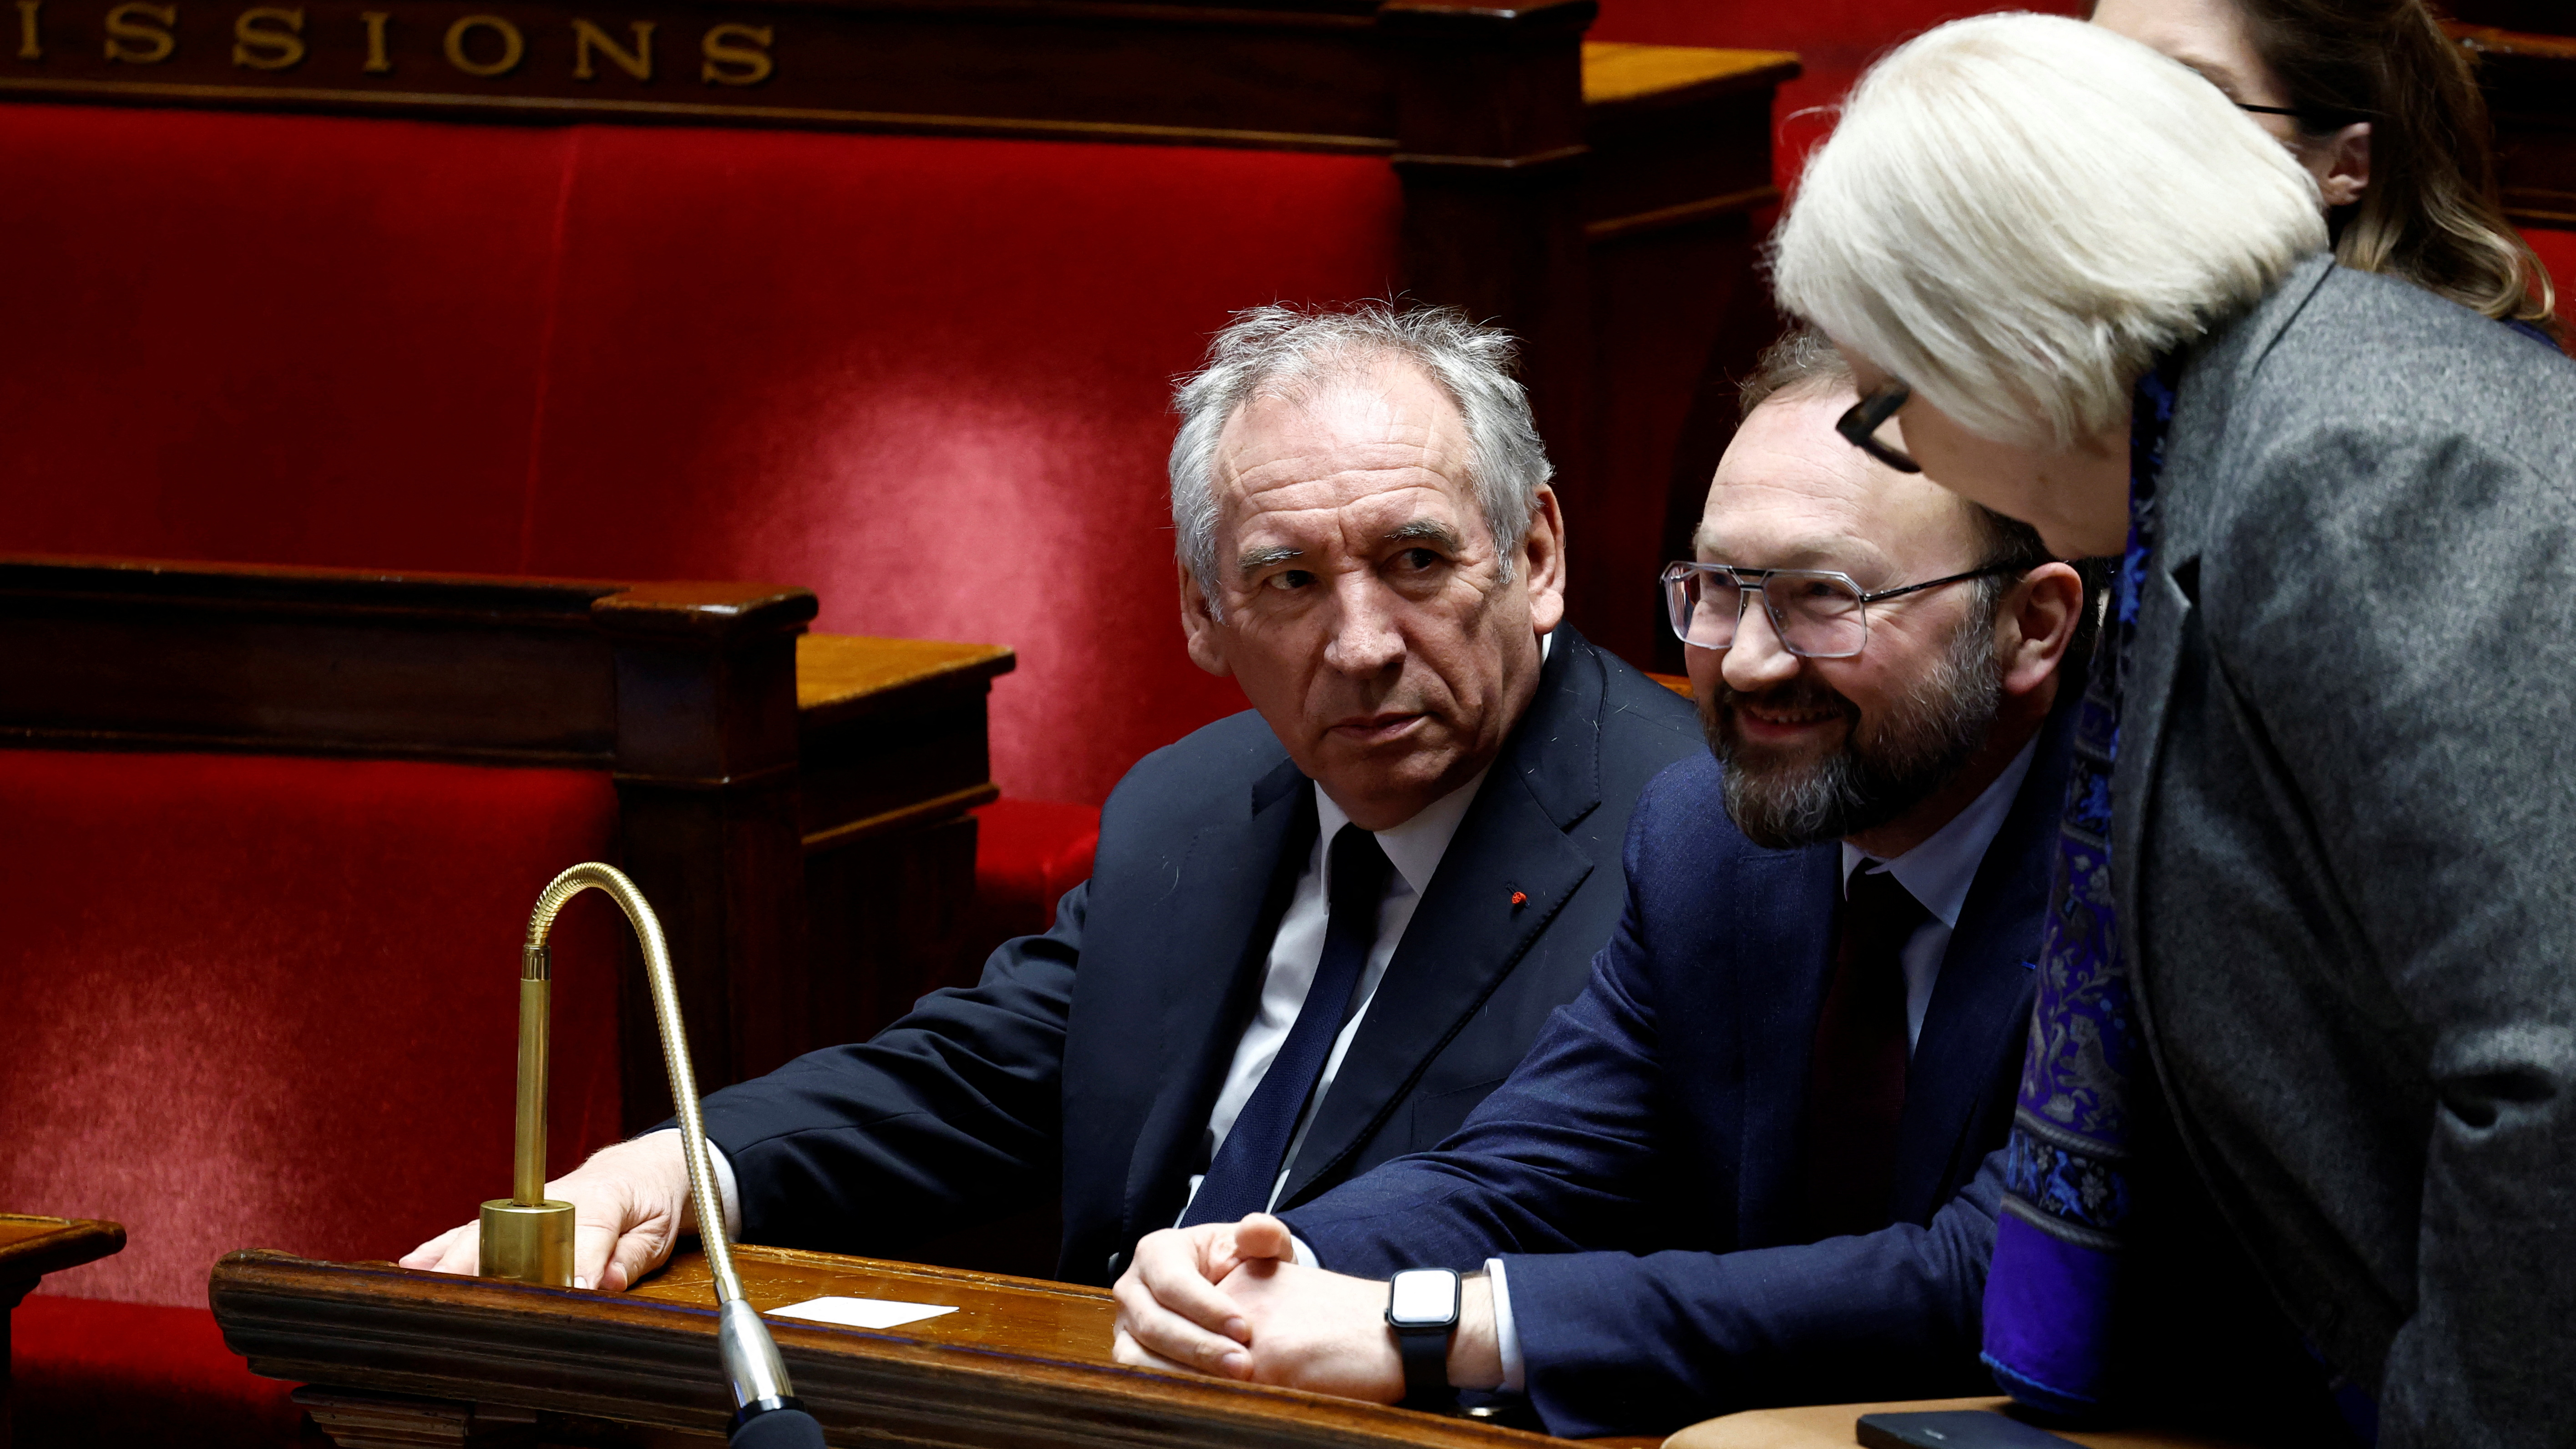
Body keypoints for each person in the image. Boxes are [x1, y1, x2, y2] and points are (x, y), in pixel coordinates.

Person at [401, 303, 1702, 1292]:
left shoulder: (1693, 836)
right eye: (1288, 583)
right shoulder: (1189, 810)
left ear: (1532, 555)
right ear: (1204, 612)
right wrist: (678, 1164)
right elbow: (973, 1076)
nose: (1359, 643)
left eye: (1415, 561)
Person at [1771, 15, 2576, 1447]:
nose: (1907, 448)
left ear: (2007, 353)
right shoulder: (2238, 445)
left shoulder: (2354, 469)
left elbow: (2548, 1069)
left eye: (1890, 400)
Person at [1107, 330, 2092, 1437]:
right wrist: (1261, 1259)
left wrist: (1440, 1322)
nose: (1750, 660)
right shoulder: (1709, 833)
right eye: (1719, 589)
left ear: (2030, 626)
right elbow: (1524, 1172)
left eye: (1823, 597)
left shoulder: (2139, 872)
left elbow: (1981, 1272)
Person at [2091, 0, 2561, 347]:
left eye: (2188, 90)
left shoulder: (2453, 395)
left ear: (2344, 164)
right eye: (2090, 74)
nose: (2106, 128)